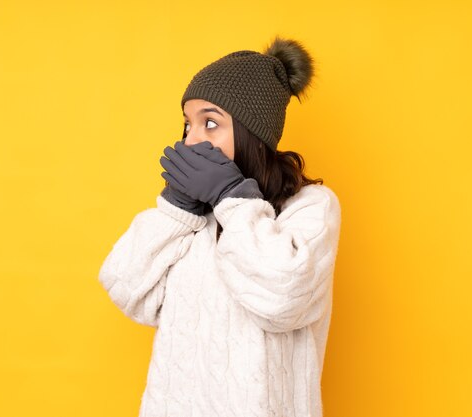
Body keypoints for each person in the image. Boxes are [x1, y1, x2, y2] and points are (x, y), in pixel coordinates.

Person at [98, 35, 342, 417]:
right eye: (187, 125)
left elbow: (283, 299)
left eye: (210, 122)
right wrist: (176, 211)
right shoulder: (191, 220)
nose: (192, 139)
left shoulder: (309, 208)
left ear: (252, 134)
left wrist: (232, 197)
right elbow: (127, 291)